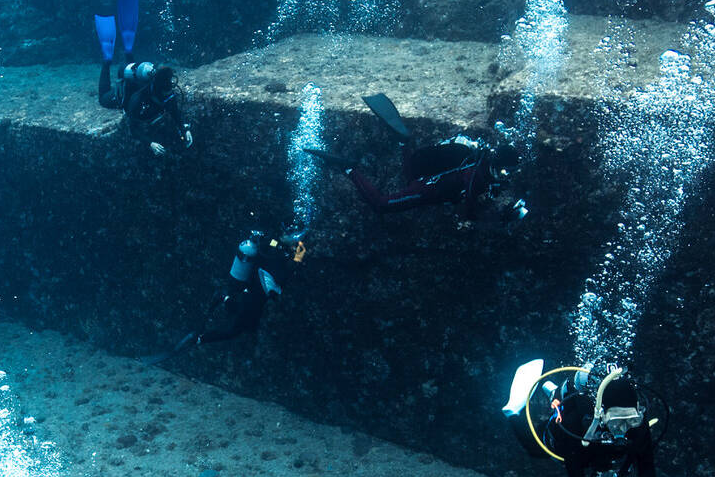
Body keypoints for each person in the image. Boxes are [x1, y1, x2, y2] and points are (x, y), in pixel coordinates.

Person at [309, 93, 522, 220]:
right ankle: (349, 169)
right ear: (497, 163)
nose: (506, 176)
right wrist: (498, 217)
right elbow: (467, 211)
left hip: (426, 180)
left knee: (410, 178)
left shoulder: (485, 166)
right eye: (505, 171)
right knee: (382, 205)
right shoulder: (476, 175)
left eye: (510, 173)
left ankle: (403, 142)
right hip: (429, 190)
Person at [158, 227, 305, 360]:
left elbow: (292, 266)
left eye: (295, 236)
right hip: (254, 293)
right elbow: (278, 258)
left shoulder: (290, 249)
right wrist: (284, 248)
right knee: (234, 330)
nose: (294, 238)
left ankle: (224, 298)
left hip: (258, 295)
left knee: (247, 325)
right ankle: (198, 339)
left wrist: (298, 249)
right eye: (290, 234)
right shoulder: (274, 244)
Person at [548, 370, 656, 477]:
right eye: (616, 421)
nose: (623, 428)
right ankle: (516, 411)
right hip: (571, 446)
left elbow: (647, 463)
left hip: (600, 456)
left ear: (638, 411)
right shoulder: (577, 423)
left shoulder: (639, 424)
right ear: (602, 414)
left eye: (631, 420)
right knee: (534, 449)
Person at [94, 0, 190, 156]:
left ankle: (128, 50)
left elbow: (174, 111)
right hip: (125, 92)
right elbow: (133, 127)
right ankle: (107, 60)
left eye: (169, 91)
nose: (169, 96)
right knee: (103, 98)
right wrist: (149, 143)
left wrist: (184, 129)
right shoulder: (138, 100)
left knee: (131, 64)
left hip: (137, 81)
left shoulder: (167, 91)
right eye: (166, 93)